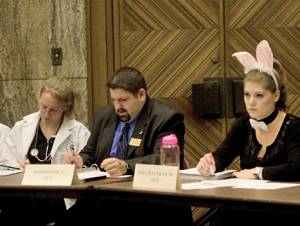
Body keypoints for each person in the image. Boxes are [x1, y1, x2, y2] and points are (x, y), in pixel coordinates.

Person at [62, 66, 193, 225]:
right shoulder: (103, 116)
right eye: (113, 100)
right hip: (104, 197)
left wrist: (126, 166)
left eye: (123, 100)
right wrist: (80, 160)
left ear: (141, 95)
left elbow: (164, 159)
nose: (117, 107)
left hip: (146, 201)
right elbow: (90, 151)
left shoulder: (166, 118)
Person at [197, 40, 300, 225]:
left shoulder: (294, 127)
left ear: (275, 95)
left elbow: (296, 168)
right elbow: (223, 154)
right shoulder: (245, 122)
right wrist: (210, 164)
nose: (251, 102)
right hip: (248, 203)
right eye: (247, 95)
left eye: (259, 95)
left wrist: (256, 173)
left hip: (284, 210)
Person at [0, 76, 90, 225]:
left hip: (61, 199)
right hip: (26, 197)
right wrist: (20, 168)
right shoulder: (22, 127)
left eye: (53, 110)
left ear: (65, 107)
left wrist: (77, 164)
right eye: (43, 107)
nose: (46, 114)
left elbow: (89, 168)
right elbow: (6, 164)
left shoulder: (78, 131)